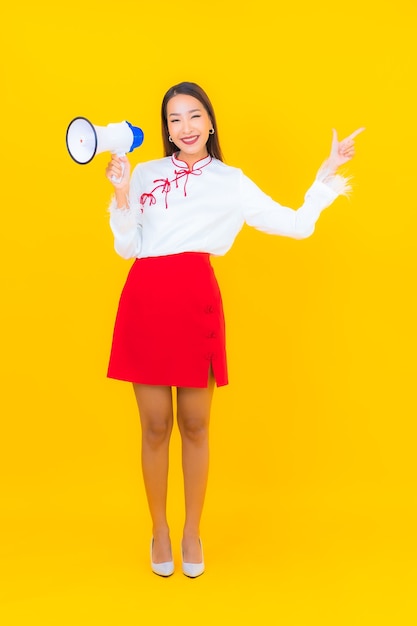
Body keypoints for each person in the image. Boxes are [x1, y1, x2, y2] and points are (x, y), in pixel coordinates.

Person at [105, 81, 364, 578]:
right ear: (166, 128)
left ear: (210, 122)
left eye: (193, 116)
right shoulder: (143, 174)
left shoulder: (231, 180)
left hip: (195, 299)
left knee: (196, 425)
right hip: (147, 299)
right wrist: (120, 193)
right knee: (156, 424)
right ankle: (159, 529)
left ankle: (191, 531)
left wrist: (325, 179)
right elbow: (127, 247)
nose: (185, 127)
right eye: (174, 119)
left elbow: (295, 224)